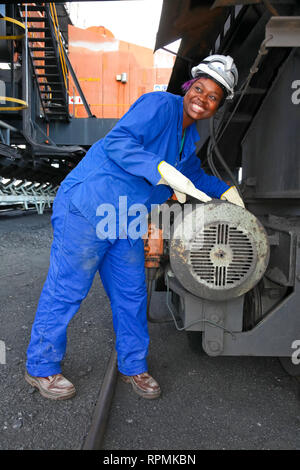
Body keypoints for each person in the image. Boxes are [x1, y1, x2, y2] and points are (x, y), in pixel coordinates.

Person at [24, 54, 244, 401]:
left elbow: (192, 173)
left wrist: (224, 190)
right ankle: (41, 367)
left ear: (219, 105)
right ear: (190, 86)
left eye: (213, 96)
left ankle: (134, 366)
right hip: (88, 207)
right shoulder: (160, 105)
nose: (202, 98)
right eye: (199, 88)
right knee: (68, 290)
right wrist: (159, 168)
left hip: (125, 221)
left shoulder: (188, 138)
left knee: (131, 295)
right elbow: (118, 142)